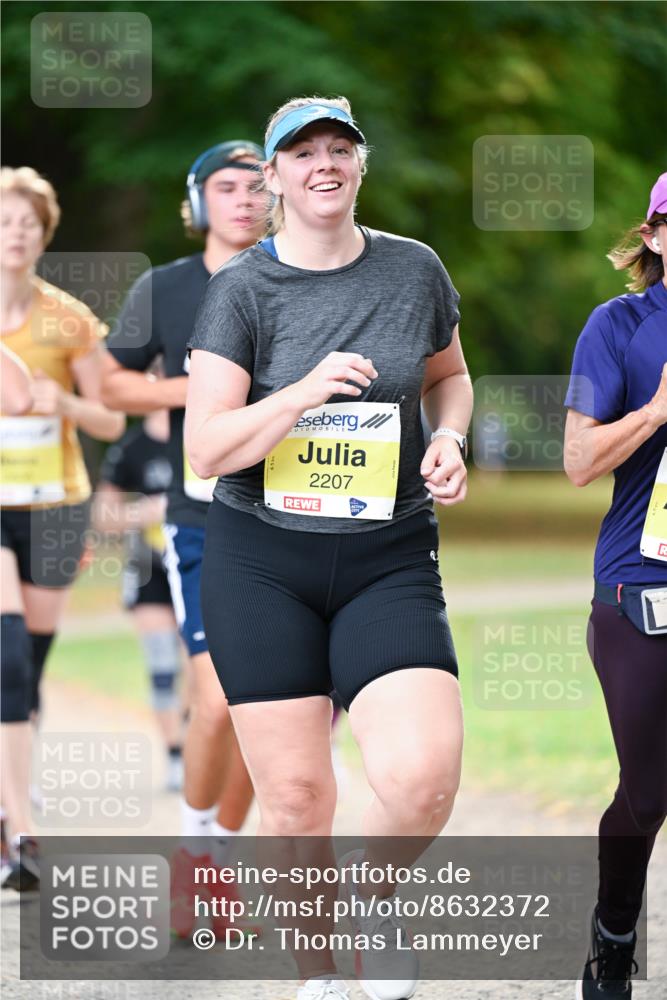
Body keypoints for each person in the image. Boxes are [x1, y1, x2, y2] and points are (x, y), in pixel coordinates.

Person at [186, 97, 472, 1000]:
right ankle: (317, 978)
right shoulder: (241, 288)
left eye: (337, 149)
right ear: (272, 176)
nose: (322, 164)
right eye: (299, 152)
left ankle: (372, 889)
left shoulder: (413, 269)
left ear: (360, 164)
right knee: (299, 796)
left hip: (386, 552)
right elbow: (206, 447)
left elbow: (451, 377)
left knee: (422, 776)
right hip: (260, 558)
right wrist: (298, 395)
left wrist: (449, 438)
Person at [101, 140, 268, 936]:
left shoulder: (298, 274)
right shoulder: (165, 286)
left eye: (256, 187)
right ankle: (195, 852)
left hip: (293, 510)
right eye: (226, 188)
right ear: (197, 200)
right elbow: (110, 381)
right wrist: (199, 384)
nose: (243, 200)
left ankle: (219, 862)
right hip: (202, 517)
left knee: (266, 710)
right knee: (221, 699)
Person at [0, 166, 125, 890]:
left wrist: (62, 403)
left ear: (43, 235)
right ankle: (21, 829)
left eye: (27, 224)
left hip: (53, 504)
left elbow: (111, 416)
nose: (14, 235)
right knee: (9, 656)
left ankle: (13, 793)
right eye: (4, 222)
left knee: (28, 671)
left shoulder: (66, 318)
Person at [564, 172, 667, 1000]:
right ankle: (611, 940)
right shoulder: (618, 325)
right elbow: (575, 462)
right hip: (642, 587)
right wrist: (657, 410)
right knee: (649, 789)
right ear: (654, 236)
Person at [94, 403, 186, 791]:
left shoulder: (200, 430)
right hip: (148, 570)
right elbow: (103, 517)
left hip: (197, 566)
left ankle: (200, 745)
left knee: (202, 670)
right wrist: (145, 512)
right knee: (163, 667)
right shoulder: (132, 449)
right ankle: (176, 756)